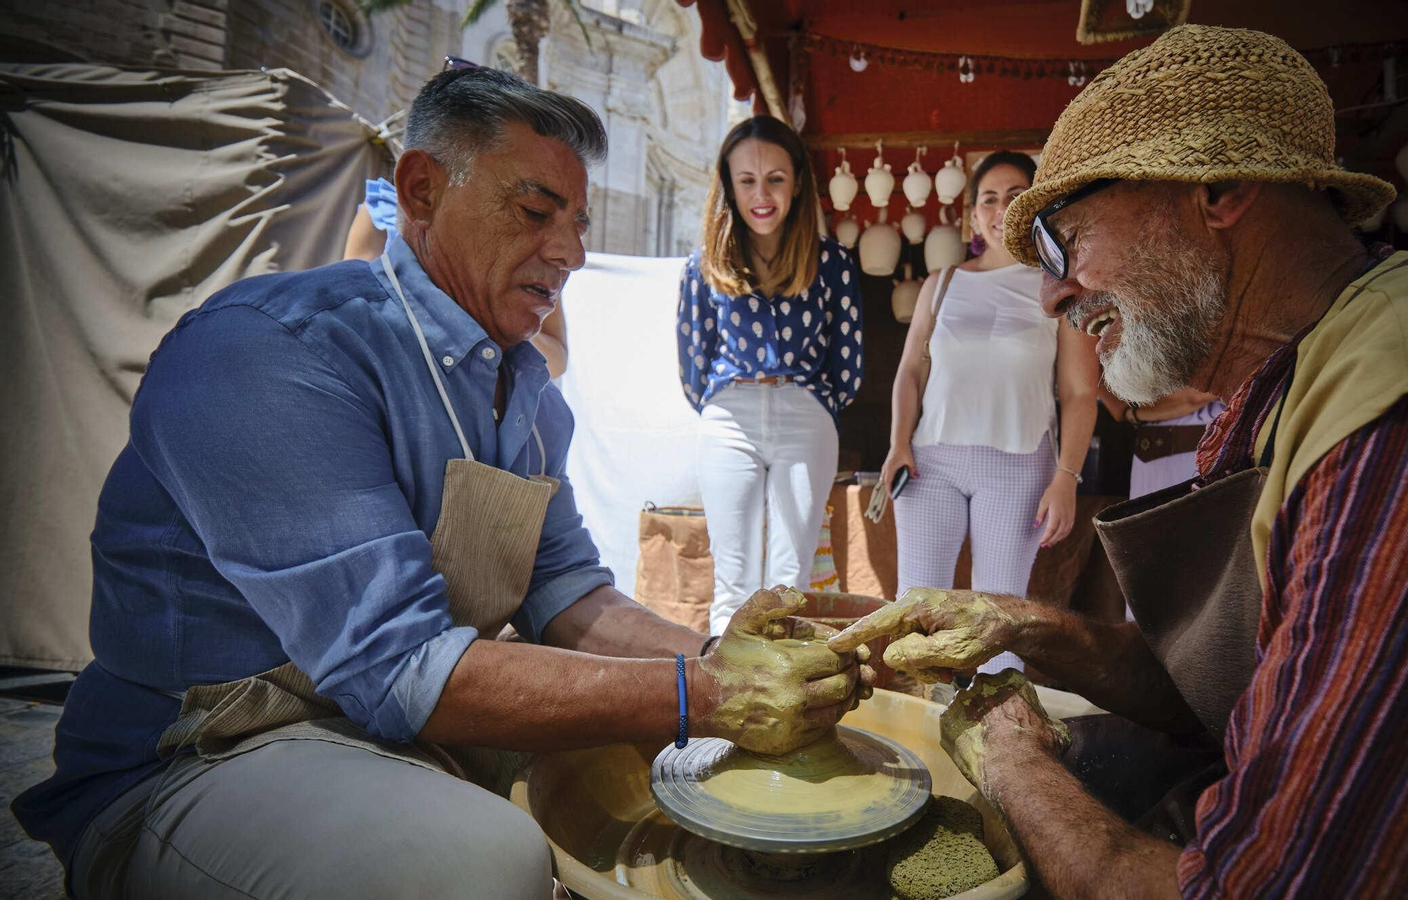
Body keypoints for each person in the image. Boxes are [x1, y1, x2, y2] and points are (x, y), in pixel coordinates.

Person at [14, 67, 867, 900]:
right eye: (536, 211)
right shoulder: (275, 353)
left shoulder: (532, 401)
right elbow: (405, 670)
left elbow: (569, 597)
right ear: (420, 190)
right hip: (201, 756)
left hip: (383, 735)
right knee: (481, 861)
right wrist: (707, 694)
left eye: (577, 220)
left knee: (646, 759)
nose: (570, 251)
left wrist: (729, 660)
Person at [830, 25, 1408, 900]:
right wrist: (1018, 624)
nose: (1051, 292)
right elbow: (1248, 682)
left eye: (1065, 242)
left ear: (1220, 190)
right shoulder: (1317, 367)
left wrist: (1011, 765)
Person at [881, 150, 1099, 675]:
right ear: (972, 214)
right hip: (930, 464)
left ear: (1035, 206)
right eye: (989, 199)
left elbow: (1079, 391)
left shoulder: (1060, 286)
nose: (1001, 209)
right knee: (916, 615)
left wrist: (1067, 477)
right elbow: (911, 370)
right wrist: (898, 444)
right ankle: (915, 743)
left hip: (1019, 470)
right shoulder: (943, 283)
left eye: (1015, 197)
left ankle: (998, 745)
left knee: (998, 628)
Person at [678, 115, 863, 636]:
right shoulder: (702, 266)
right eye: (747, 180)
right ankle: (725, 707)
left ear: (798, 182)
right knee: (732, 583)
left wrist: (812, 405)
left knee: (788, 583)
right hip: (729, 417)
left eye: (776, 178)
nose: (762, 194)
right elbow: (692, 363)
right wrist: (726, 405)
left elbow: (848, 363)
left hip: (805, 413)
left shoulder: (832, 263)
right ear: (729, 185)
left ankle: (788, 704)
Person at [346, 164, 569, 377]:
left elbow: (556, 362)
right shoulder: (385, 208)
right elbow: (353, 315)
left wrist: (511, 322)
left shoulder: (533, 246)